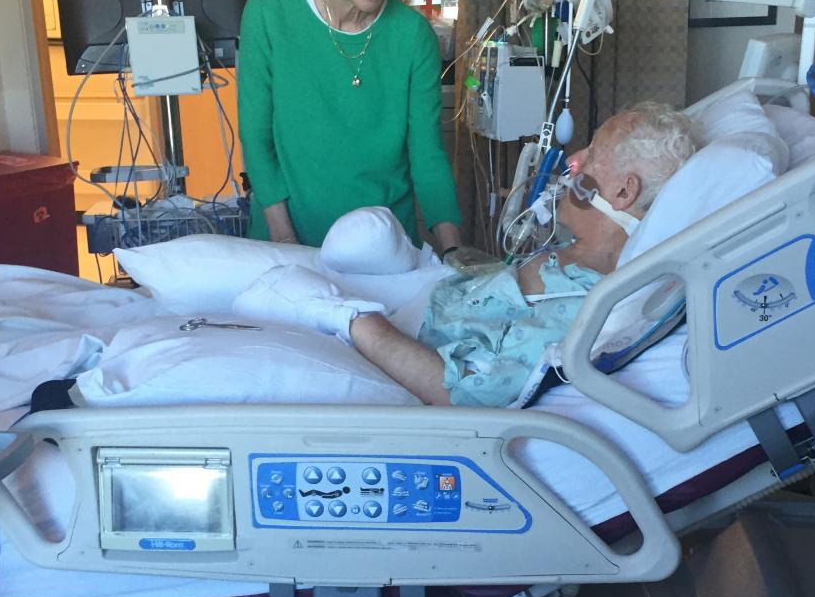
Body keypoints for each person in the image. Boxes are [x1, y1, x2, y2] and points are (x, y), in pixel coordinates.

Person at [257, 104, 699, 408]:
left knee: (237, 277)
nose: (574, 160)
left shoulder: (582, 308)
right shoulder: (566, 251)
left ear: (624, 191)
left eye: (595, 153)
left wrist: (354, 321)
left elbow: (462, 393)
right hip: (419, 294)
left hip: (389, 330)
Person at [237, 0, 461, 255]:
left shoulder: (411, 35)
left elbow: (426, 155)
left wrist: (455, 252)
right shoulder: (269, 13)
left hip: (384, 249)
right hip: (287, 242)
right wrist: (288, 244)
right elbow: (257, 139)